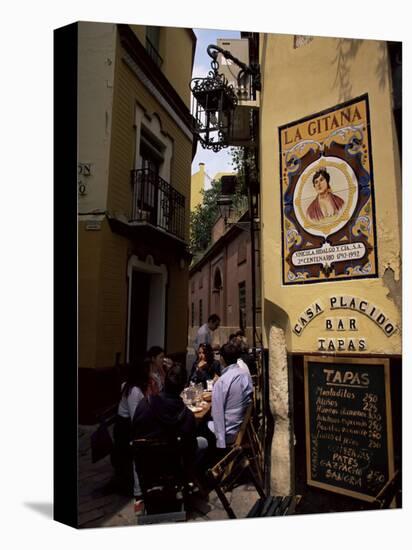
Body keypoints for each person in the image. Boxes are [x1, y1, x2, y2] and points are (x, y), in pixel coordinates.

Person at [132, 362, 208, 472]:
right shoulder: (187, 415)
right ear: (183, 387)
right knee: (203, 442)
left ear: (164, 382)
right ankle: (188, 477)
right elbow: (190, 448)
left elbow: (135, 432)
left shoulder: (144, 404)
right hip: (173, 466)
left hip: (146, 466)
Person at [111, 358, 150, 514]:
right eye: (146, 370)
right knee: (141, 449)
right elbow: (136, 418)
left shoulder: (130, 386)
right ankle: (138, 492)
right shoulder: (134, 391)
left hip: (124, 426)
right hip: (126, 430)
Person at [208, 342, 253, 449]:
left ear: (222, 359)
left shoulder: (222, 382)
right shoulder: (245, 375)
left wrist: (221, 444)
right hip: (240, 427)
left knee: (199, 427)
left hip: (228, 433)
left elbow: (217, 415)